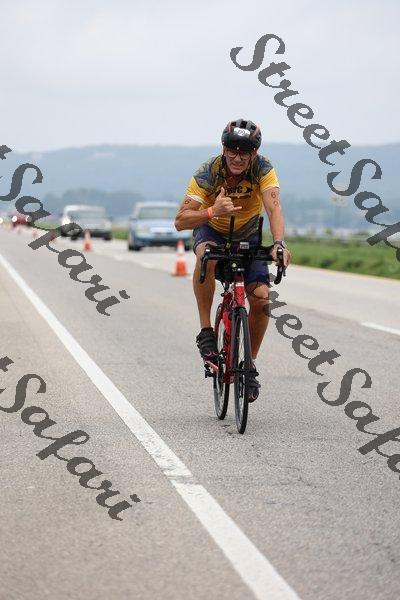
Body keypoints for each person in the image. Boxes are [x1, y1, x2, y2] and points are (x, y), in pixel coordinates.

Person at [174, 118, 291, 401]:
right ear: (223, 149)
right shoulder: (207, 172)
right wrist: (212, 211)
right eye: (232, 151)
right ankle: (206, 331)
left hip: (248, 235)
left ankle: (249, 366)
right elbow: (180, 221)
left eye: (245, 152)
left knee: (262, 300)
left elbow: (274, 209)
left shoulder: (263, 169)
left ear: (254, 153)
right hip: (212, 230)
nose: (238, 158)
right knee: (206, 256)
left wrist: (278, 244)